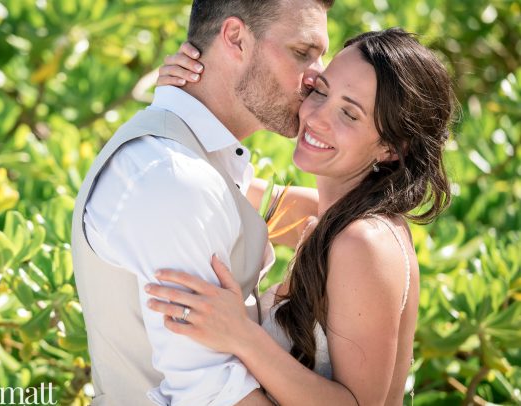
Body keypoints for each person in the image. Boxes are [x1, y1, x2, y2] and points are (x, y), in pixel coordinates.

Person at [146, 28, 456, 405]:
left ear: (392, 148)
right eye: (321, 91)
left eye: (349, 113)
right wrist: (178, 100)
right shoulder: (328, 216)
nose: (317, 117)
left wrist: (241, 336)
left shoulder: (364, 242)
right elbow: (207, 181)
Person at [71, 0, 334, 404]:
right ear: (234, 38)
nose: (318, 78)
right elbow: (213, 397)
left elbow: (307, 214)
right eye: (302, 53)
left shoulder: (196, 160)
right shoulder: (173, 180)